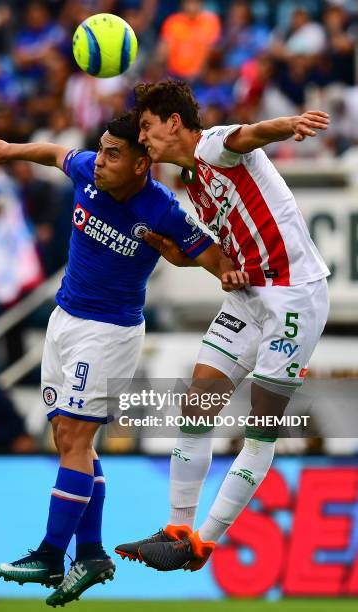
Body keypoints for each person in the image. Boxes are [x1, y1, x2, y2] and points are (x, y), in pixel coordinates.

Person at [0, 111, 248, 605]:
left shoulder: (161, 208)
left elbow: (208, 256)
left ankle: (50, 555)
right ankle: (94, 553)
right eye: (100, 150)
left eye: (113, 154)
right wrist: (6, 149)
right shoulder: (87, 171)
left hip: (108, 333)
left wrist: (224, 273)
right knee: (68, 438)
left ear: (143, 164)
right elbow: (54, 154)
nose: (99, 162)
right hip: (64, 320)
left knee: (78, 437)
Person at [115, 80, 330, 572]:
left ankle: (205, 543)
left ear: (174, 123)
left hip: (295, 295)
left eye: (147, 127)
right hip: (250, 294)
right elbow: (232, 244)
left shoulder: (212, 146)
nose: (142, 139)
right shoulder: (194, 184)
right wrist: (189, 261)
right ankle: (177, 529)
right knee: (196, 403)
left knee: (262, 428)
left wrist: (289, 125)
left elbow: (252, 134)